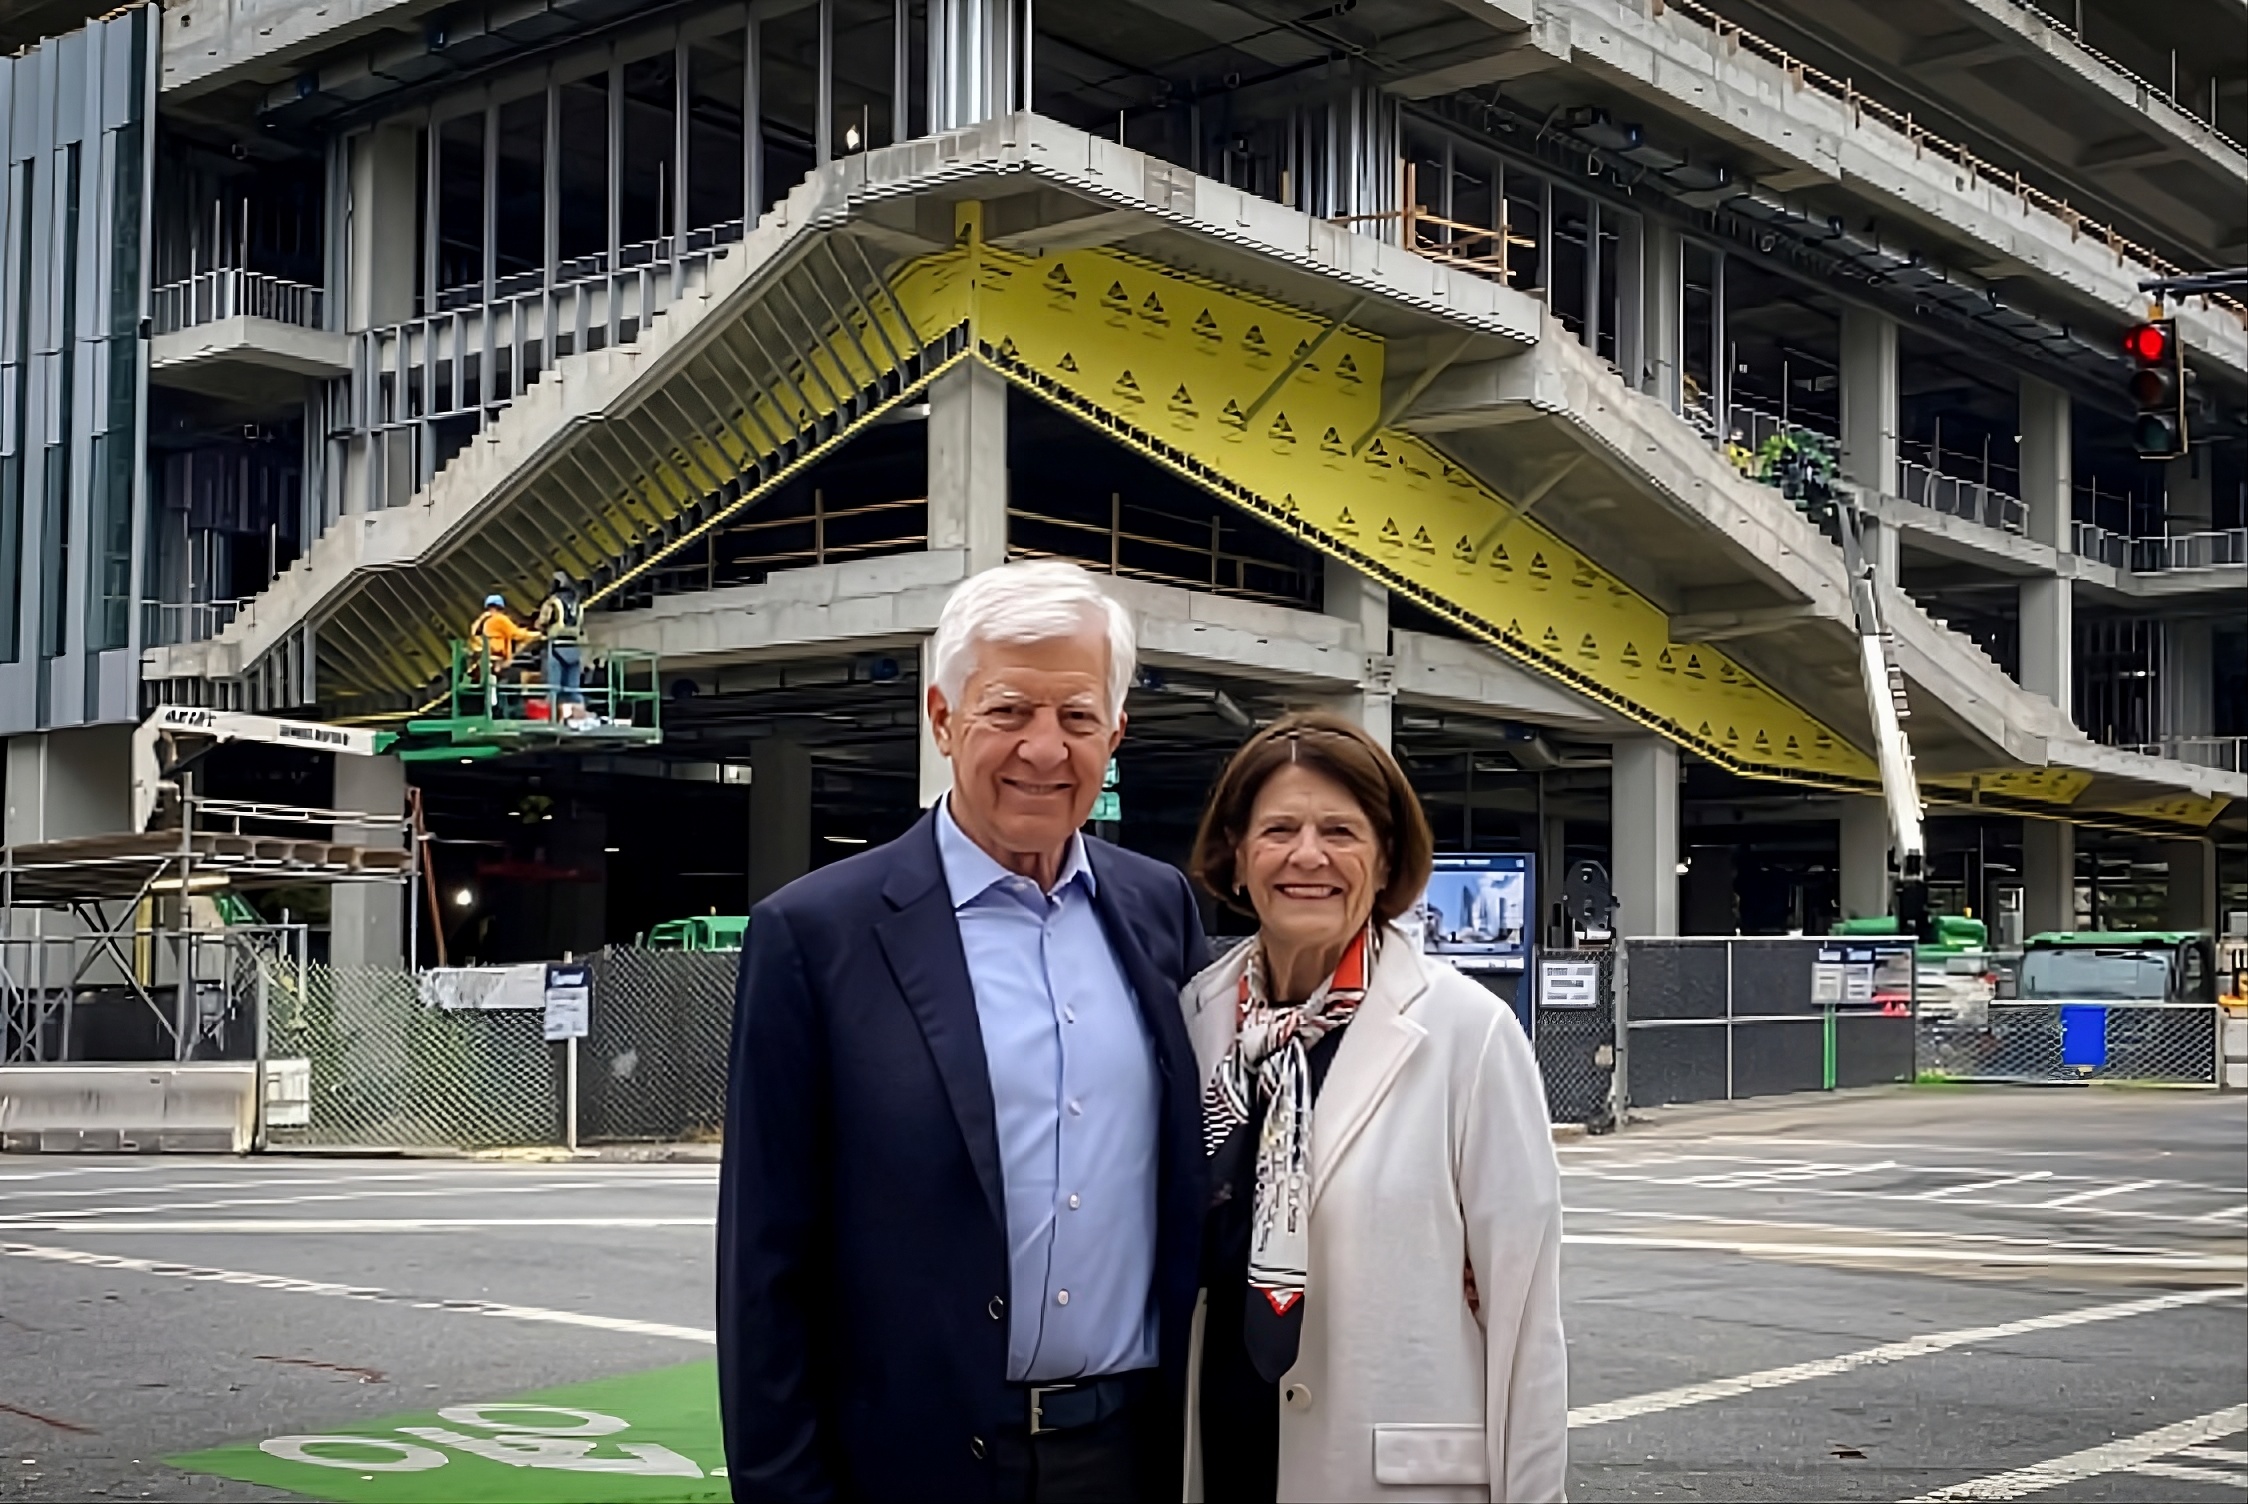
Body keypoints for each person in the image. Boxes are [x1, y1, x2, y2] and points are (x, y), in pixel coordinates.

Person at [718, 559, 1209, 1504]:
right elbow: (764, 1265)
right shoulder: (817, 935)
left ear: (1115, 733)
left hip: (1130, 1459)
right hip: (911, 1467)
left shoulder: (1159, 909)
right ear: (943, 721)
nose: (1044, 749)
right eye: (1009, 712)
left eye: (1076, 718)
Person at [1182, 711, 1566, 1503]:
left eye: (1341, 831)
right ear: (1237, 854)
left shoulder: (1467, 1032)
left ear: (1386, 858)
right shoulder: (1197, 1019)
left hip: (1389, 1475)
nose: (1309, 856)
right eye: (1279, 828)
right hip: (1225, 1460)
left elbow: (1525, 1318)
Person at [468, 592, 538, 708]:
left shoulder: (487, 621)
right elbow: (516, 634)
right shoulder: (499, 620)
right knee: (515, 677)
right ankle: (506, 707)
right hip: (495, 659)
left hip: (490, 659)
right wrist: (537, 635)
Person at [535, 572, 587, 723]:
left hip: (557, 647)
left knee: (554, 687)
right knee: (573, 689)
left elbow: (542, 622)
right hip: (574, 647)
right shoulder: (578, 604)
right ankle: (578, 718)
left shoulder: (553, 602)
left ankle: (553, 720)